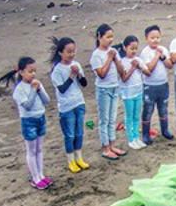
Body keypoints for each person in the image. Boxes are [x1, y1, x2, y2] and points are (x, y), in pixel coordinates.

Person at [0, 57, 51, 189]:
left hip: (40, 117)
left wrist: (39, 89)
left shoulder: (37, 84)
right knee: (31, 150)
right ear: (21, 72)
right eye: (30, 71)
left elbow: (47, 100)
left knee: (39, 149)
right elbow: (27, 105)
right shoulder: (19, 90)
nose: (33, 74)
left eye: (34, 71)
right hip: (29, 121)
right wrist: (33, 90)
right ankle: (35, 177)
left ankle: (41, 174)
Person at [49, 36, 90, 173]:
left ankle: (79, 158)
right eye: (69, 52)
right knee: (70, 134)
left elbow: (84, 84)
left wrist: (79, 74)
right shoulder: (57, 70)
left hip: (79, 102)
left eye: (73, 51)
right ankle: (71, 160)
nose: (72, 54)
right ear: (61, 53)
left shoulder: (76, 65)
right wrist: (72, 75)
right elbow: (61, 89)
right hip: (66, 106)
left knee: (79, 132)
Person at [90, 23, 127, 160]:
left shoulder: (113, 51)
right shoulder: (96, 55)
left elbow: (121, 71)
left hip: (114, 86)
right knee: (104, 119)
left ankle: (112, 144)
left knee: (112, 118)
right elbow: (101, 74)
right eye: (107, 37)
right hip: (103, 89)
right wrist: (109, 58)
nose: (110, 40)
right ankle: (105, 147)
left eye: (112, 37)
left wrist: (116, 58)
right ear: (99, 37)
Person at [140, 25, 174, 145]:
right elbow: (149, 69)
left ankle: (165, 130)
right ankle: (145, 133)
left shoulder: (163, 49)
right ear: (146, 38)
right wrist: (156, 56)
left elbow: (170, 65)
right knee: (148, 109)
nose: (155, 40)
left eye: (157, 37)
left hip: (163, 84)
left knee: (163, 109)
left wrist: (163, 56)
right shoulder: (145, 52)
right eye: (152, 37)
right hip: (149, 86)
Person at [115, 35, 147, 149]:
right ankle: (130, 139)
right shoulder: (122, 62)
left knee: (136, 116)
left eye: (135, 48)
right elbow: (123, 78)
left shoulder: (138, 60)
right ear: (125, 48)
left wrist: (139, 67)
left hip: (138, 91)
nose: (134, 51)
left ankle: (136, 137)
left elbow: (147, 71)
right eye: (131, 48)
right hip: (128, 93)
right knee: (129, 116)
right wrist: (133, 68)